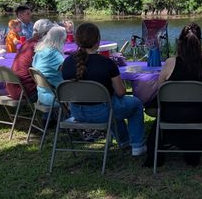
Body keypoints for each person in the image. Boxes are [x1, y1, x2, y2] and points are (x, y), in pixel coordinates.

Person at [144, 23, 202, 167]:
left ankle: (164, 144)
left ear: (180, 42)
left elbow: (160, 89)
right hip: (201, 114)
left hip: (172, 115)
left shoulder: (170, 63)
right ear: (200, 41)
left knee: (157, 107)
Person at [62, 23, 146, 156]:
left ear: (77, 40)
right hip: (103, 112)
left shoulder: (66, 63)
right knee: (134, 104)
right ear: (97, 41)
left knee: (114, 105)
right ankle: (137, 146)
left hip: (77, 112)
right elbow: (121, 92)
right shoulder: (107, 63)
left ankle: (124, 141)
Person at [7, 19, 55, 101]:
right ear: (47, 33)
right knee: (63, 90)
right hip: (28, 92)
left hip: (14, 89)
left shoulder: (27, 43)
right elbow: (48, 71)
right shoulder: (40, 47)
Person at [32, 25, 67, 108]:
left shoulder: (40, 51)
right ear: (60, 40)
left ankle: (49, 119)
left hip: (42, 95)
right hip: (56, 97)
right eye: (64, 40)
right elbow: (67, 71)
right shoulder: (53, 53)